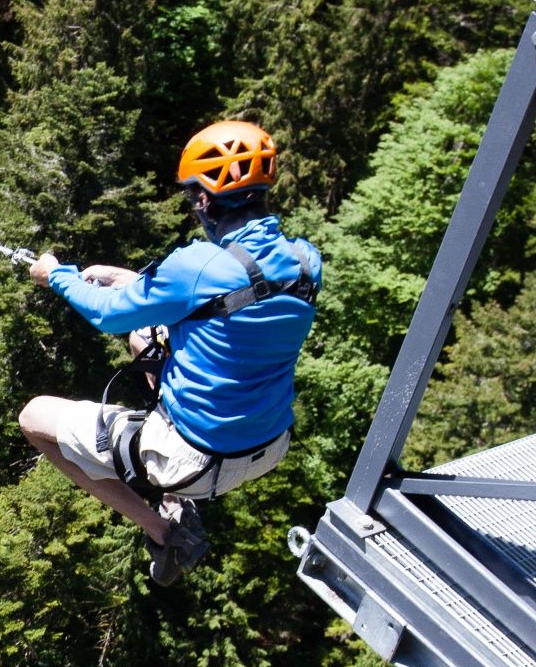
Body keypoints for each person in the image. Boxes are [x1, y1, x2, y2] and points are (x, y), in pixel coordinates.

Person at [17, 121, 321, 586]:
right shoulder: (305, 261)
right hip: (268, 444)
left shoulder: (196, 264)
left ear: (203, 199)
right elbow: (229, 303)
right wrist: (131, 281)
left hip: (193, 459)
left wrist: (56, 275)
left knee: (35, 418)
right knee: (143, 335)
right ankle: (177, 497)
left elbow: (105, 314)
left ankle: (166, 533)